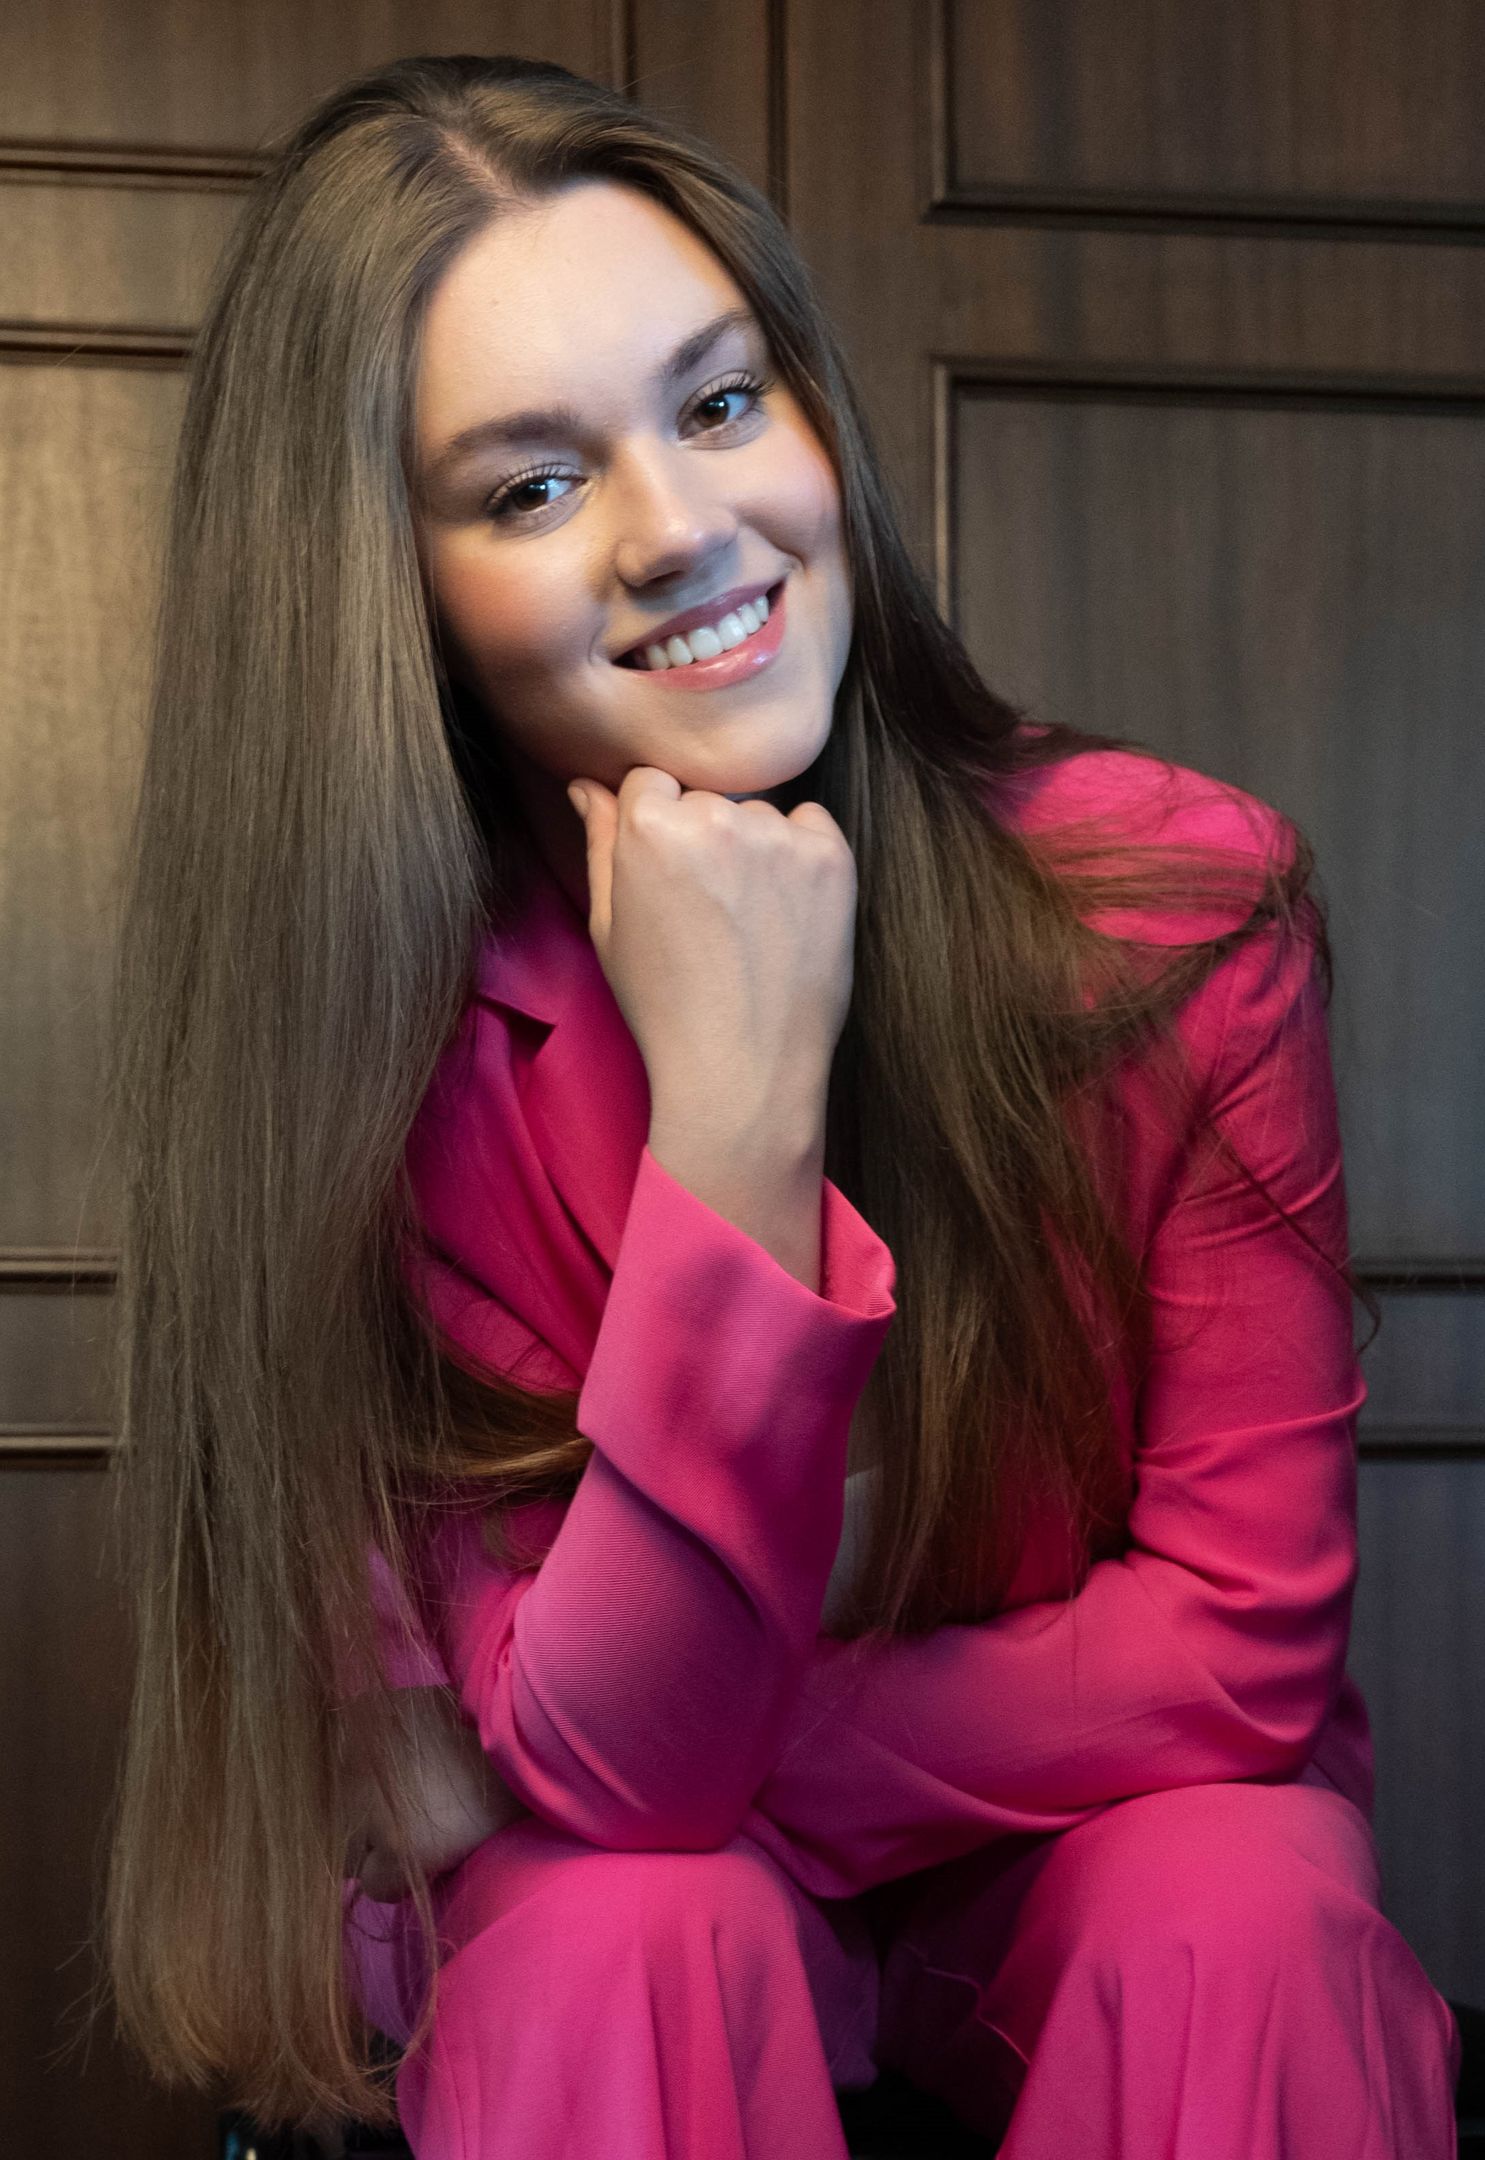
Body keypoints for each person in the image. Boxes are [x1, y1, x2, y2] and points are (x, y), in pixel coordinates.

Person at [97, 50, 1461, 2160]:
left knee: (1240, 1898)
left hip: (1072, 1879)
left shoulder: (1182, 909)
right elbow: (614, 1808)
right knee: (617, 1923)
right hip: (633, 1923)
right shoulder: (368, 1059)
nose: (680, 531)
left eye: (722, 403)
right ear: (387, 591)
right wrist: (734, 1120)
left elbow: (1239, 1649)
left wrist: (600, 1744)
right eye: (528, 490)